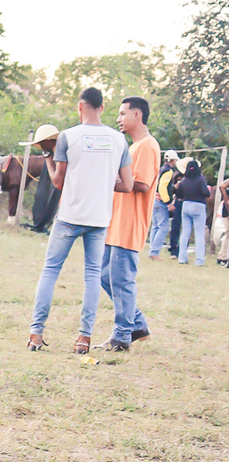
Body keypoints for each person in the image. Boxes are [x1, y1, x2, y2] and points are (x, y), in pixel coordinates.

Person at [26, 87, 133, 354]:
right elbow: (128, 185)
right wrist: (103, 181)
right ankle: (84, 339)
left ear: (80, 107)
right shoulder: (119, 140)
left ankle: (36, 334)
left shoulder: (68, 136)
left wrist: (48, 156)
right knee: (92, 276)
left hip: (69, 216)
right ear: (102, 107)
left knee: (50, 271)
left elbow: (58, 181)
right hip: (99, 218)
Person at [97, 96, 160, 350]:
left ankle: (122, 337)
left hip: (130, 225)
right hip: (116, 223)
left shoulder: (147, 146)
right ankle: (137, 324)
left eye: (123, 114)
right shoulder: (133, 147)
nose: (118, 119)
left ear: (137, 115)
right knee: (104, 276)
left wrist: (106, 179)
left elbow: (142, 184)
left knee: (122, 281)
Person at [174, 157, 211, 264]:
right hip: (198, 206)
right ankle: (199, 260)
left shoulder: (184, 180)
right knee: (199, 234)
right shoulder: (200, 180)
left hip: (186, 205)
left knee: (185, 233)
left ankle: (182, 258)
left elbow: (178, 194)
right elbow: (206, 193)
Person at [27, 124, 61, 232]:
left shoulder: (61, 155)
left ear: (49, 140)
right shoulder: (51, 154)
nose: (40, 146)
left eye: (42, 142)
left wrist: (48, 159)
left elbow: (57, 182)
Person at [149, 151, 180, 258]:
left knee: (155, 226)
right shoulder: (168, 171)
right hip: (161, 201)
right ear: (173, 160)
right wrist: (168, 202)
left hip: (154, 199)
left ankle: (152, 248)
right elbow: (162, 186)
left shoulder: (160, 169)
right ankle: (154, 251)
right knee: (163, 227)